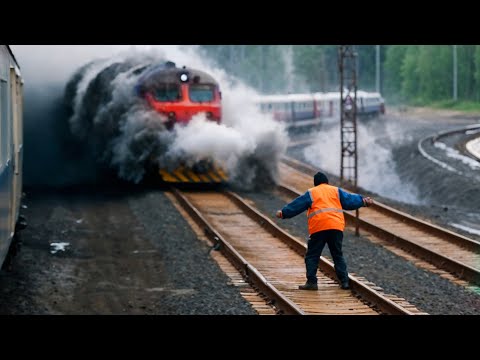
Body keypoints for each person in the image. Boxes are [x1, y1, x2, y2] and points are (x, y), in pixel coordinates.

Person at [275, 171, 373, 291]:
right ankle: (344, 282)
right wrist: (363, 201)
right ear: (327, 182)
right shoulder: (335, 191)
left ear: (315, 183)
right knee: (337, 255)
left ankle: (312, 282)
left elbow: (297, 205)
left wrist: (283, 213)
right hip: (336, 227)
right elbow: (349, 200)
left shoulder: (312, 192)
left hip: (319, 227)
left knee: (312, 255)